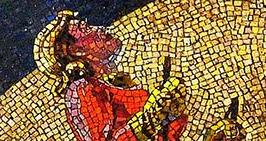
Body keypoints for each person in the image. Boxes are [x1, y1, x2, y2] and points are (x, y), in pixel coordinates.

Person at [34, 10, 188, 141]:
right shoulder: (80, 90)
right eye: (86, 28)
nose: (100, 28)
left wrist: (169, 108)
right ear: (75, 50)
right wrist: (153, 116)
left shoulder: (114, 82)